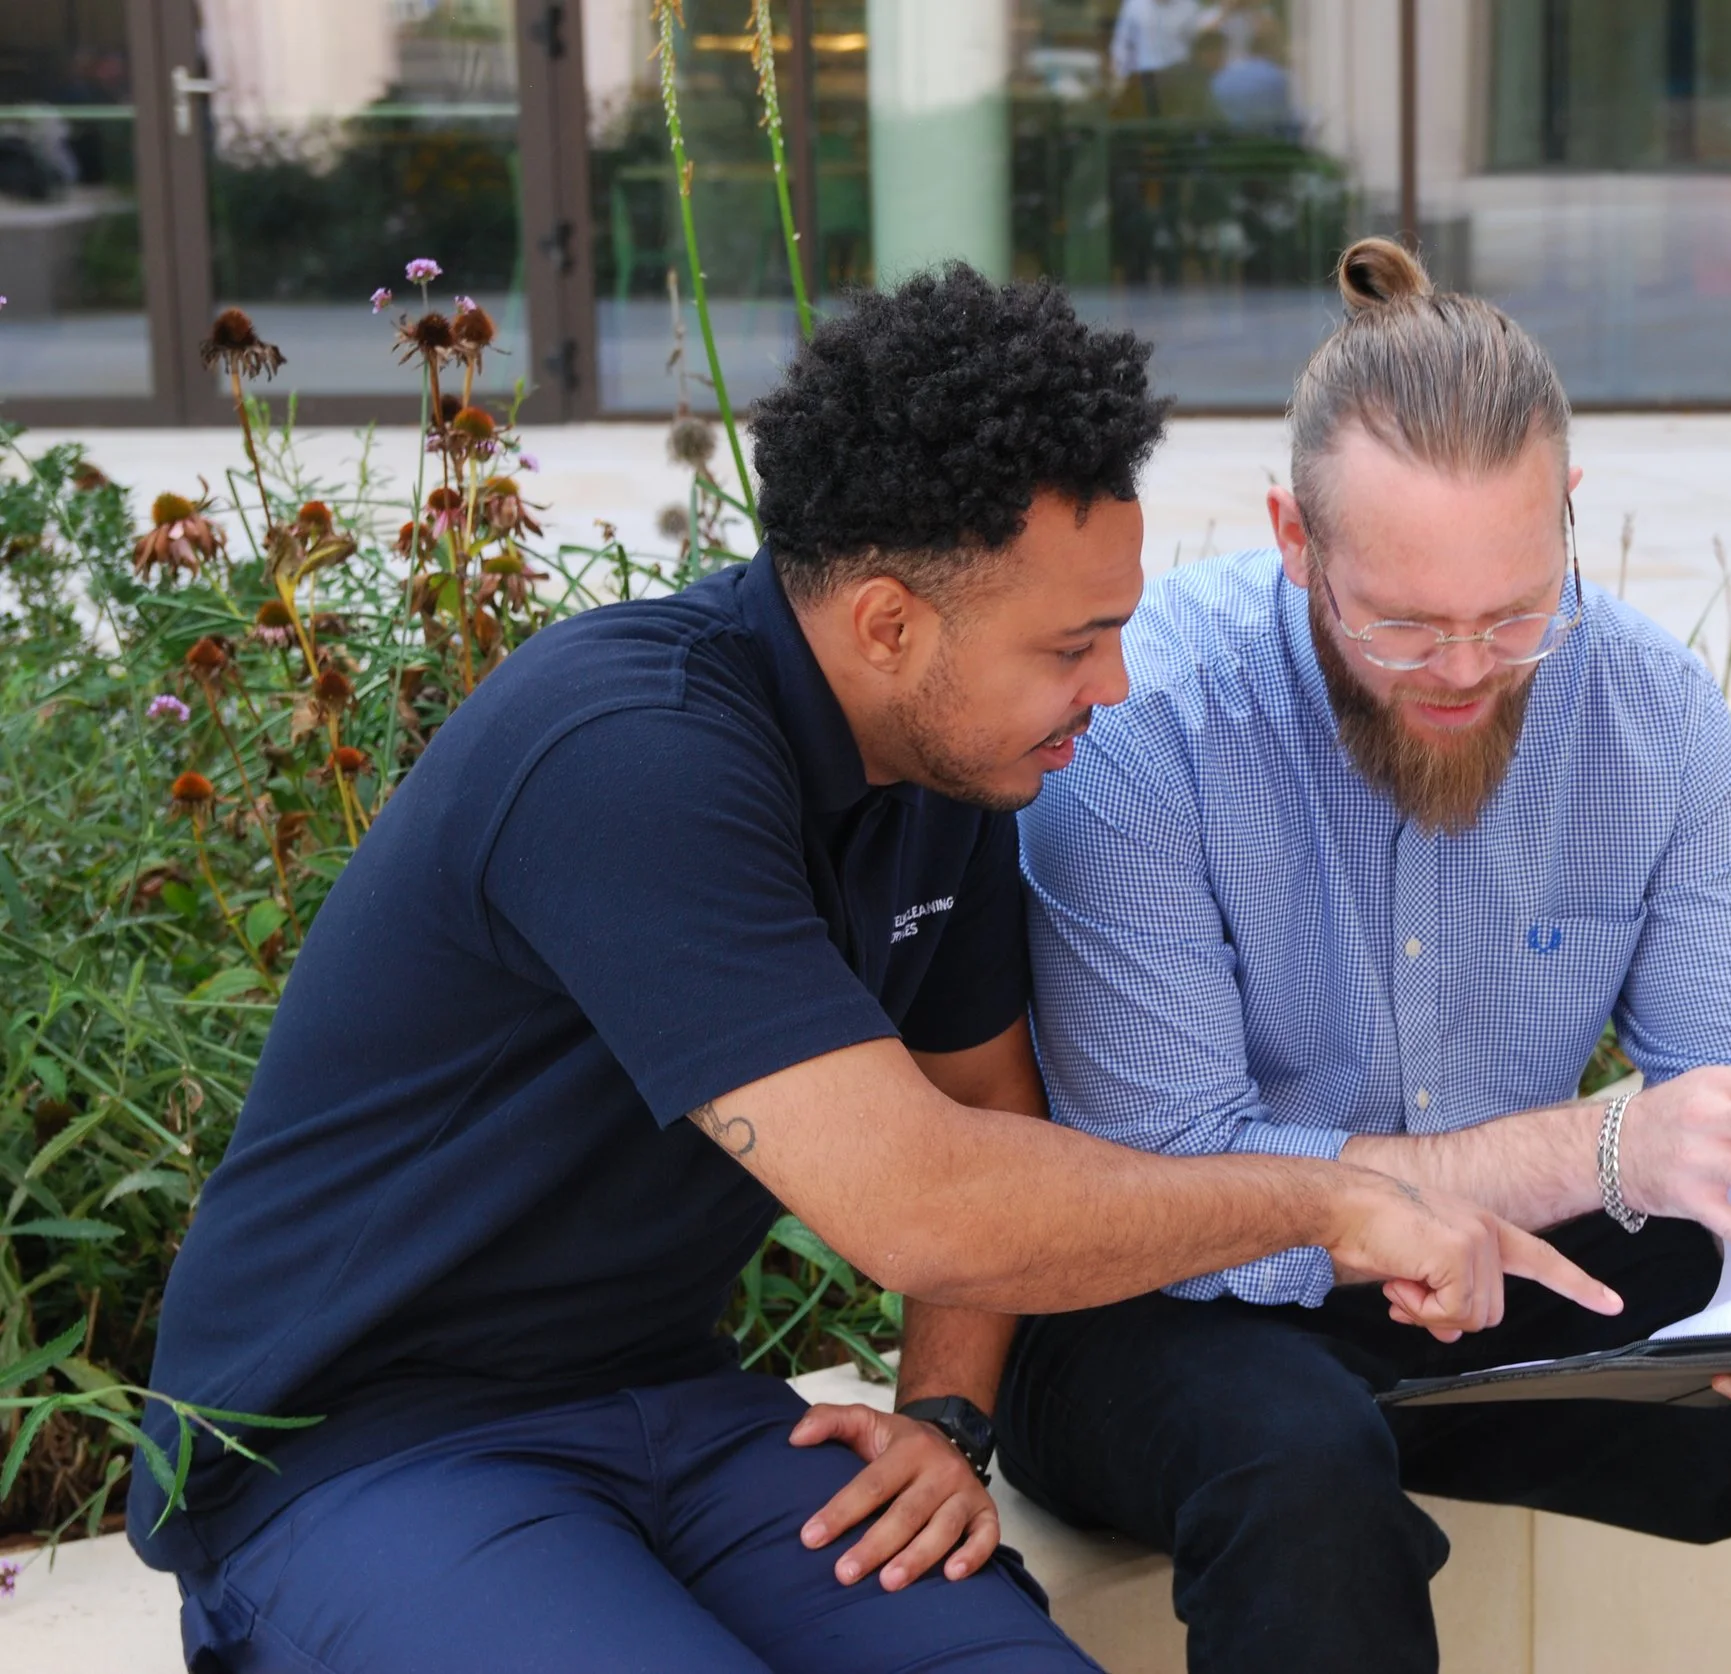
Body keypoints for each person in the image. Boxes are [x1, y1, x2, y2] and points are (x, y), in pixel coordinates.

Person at [129, 264, 1615, 1674]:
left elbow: (991, 1113)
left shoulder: (944, 773)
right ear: (890, 623)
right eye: (1075, 644)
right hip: (357, 1451)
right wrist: (1344, 1200)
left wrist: (948, 1422)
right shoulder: (626, 755)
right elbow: (927, 1203)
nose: (1114, 684)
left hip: (681, 1412)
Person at [1000, 239, 1731, 1674]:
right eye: (1400, 625)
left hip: (1494, 1285)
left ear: (1569, 516)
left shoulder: (1650, 714)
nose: (1465, 669)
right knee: (1302, 1469)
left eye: (1516, 614)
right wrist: (1601, 1151)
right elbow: (1172, 1177)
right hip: (1164, 1301)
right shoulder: (1150, 724)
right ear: (1294, 537)